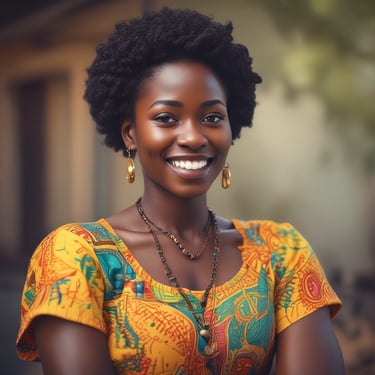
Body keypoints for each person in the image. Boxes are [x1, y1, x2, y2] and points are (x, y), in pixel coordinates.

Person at [16, 6, 345, 375]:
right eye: (166, 118)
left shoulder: (282, 252)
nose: (193, 136)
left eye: (212, 117)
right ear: (130, 134)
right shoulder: (76, 257)